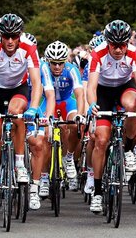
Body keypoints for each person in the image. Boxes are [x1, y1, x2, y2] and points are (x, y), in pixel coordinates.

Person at [0, 14, 42, 210]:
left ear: (20, 35)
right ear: (0, 35)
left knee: (16, 112)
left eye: (14, 36)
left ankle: (20, 164)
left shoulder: (29, 48)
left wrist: (34, 107)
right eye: (6, 36)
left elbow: (36, 82)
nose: (11, 41)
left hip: (18, 89)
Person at [86, 20, 136, 214]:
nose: (119, 49)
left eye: (123, 45)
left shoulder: (134, 52)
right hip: (104, 91)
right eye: (115, 45)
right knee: (101, 141)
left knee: (133, 105)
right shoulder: (98, 53)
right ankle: (97, 192)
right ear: (108, 43)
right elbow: (91, 87)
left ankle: (129, 148)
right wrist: (91, 105)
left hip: (124, 87)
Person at [40, 41, 86, 197]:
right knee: (46, 137)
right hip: (47, 102)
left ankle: (69, 157)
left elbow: (80, 94)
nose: (57, 67)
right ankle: (44, 178)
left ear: (65, 61)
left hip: (67, 102)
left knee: (75, 126)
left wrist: (80, 114)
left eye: (60, 63)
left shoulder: (72, 70)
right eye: (54, 63)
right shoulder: (43, 69)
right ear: (48, 61)